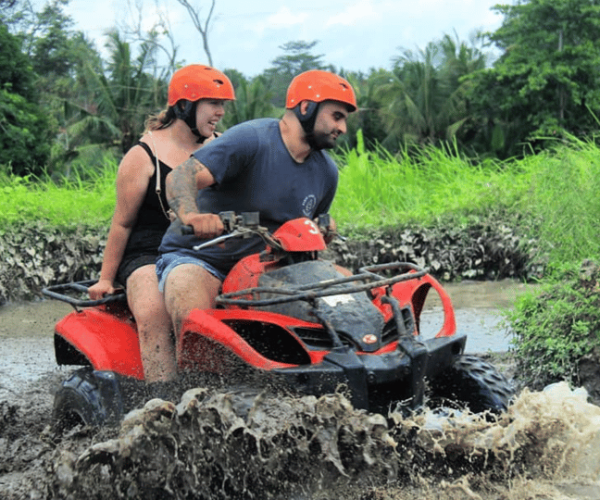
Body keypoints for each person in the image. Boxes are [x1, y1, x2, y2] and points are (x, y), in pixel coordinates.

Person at [156, 69, 357, 350]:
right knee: (194, 315)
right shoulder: (252, 139)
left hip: (273, 269)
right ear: (306, 107)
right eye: (337, 116)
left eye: (345, 120)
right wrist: (192, 215)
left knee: (356, 294)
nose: (343, 128)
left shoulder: (327, 172)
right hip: (204, 259)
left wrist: (324, 231)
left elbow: (308, 236)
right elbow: (180, 176)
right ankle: (195, 385)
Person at [88, 64, 235, 391]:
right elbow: (122, 223)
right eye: (212, 103)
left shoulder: (224, 146)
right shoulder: (143, 156)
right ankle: (163, 400)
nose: (220, 112)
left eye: (223, 104)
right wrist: (105, 279)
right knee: (155, 311)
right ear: (185, 105)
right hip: (148, 253)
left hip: (206, 250)